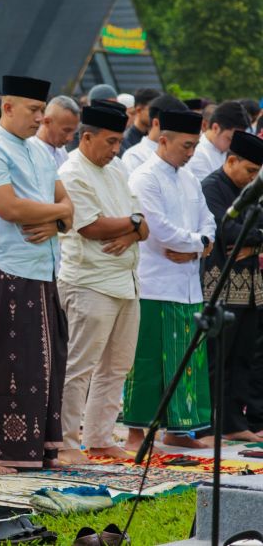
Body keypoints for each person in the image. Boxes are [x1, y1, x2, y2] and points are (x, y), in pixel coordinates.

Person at [0, 75, 73, 472]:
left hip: (43, 267)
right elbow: (9, 208)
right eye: (33, 110)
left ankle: (40, 448)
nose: (40, 118)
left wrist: (57, 219)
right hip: (7, 267)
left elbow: (69, 208)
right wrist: (60, 214)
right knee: (10, 363)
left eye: (42, 110)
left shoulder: (41, 152)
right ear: (7, 107)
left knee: (46, 362)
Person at [55, 106, 150, 464]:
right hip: (89, 281)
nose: (115, 149)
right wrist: (133, 225)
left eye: (119, 141)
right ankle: (65, 441)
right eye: (110, 141)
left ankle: (98, 437)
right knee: (79, 366)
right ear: (87, 137)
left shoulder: (118, 168)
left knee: (117, 366)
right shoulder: (71, 172)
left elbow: (144, 225)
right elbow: (90, 227)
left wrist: (131, 228)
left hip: (126, 280)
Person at [124, 109, 215, 451]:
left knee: (185, 361)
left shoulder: (190, 178)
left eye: (195, 146)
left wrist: (196, 247)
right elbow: (160, 231)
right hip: (155, 284)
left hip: (188, 286)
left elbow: (209, 222)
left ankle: (178, 430)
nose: (191, 153)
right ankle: (136, 433)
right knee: (147, 361)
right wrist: (199, 245)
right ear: (164, 140)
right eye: (186, 146)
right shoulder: (144, 178)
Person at [199, 130, 263, 443]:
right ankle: (210, 421)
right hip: (221, 287)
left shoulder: (250, 191)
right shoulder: (211, 187)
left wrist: (253, 242)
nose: (252, 178)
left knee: (243, 357)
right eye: (250, 170)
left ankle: (235, 422)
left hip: (250, 287)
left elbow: (251, 230)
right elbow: (226, 231)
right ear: (232, 160)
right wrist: (253, 239)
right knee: (218, 357)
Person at [121, 95, 189, 172]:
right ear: (156, 123)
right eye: (176, 125)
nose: (181, 131)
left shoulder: (181, 154)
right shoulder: (135, 156)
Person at [186, 102, 252, 181]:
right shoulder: (198, 154)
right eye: (230, 139)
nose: (233, 145)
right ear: (216, 128)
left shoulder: (222, 150)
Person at [33, 96, 82, 168]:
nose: (70, 138)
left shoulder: (61, 150)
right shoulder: (30, 152)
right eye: (66, 130)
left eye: (74, 132)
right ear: (47, 122)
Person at [121, 88, 163, 155]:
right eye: (153, 111)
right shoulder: (126, 140)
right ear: (139, 110)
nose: (157, 115)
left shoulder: (157, 137)